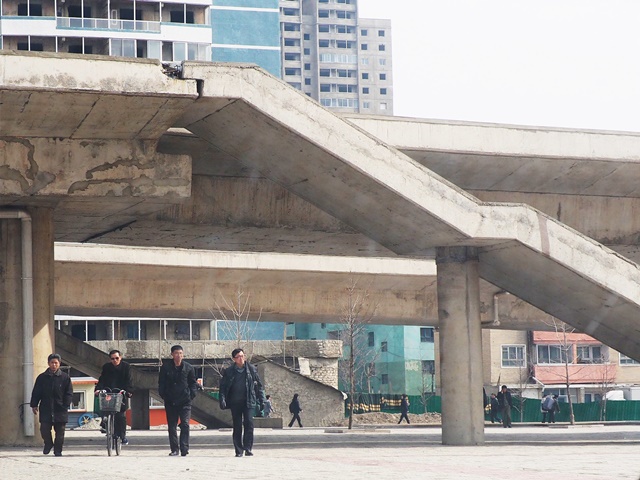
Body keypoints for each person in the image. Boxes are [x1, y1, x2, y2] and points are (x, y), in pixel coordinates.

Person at [219, 348, 266, 457]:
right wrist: (222, 399)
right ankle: (238, 450)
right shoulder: (229, 371)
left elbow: (259, 385)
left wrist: (262, 400)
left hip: (249, 401)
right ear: (234, 359)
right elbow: (223, 387)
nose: (241, 359)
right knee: (237, 425)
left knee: (249, 424)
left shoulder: (251, 369)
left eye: (242, 356)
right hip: (235, 402)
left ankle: (248, 448)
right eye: (238, 357)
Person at [30, 353, 73, 456]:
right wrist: (34, 404)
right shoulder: (42, 377)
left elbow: (69, 393)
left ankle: (58, 450)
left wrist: (66, 404)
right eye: (52, 363)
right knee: (44, 429)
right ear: (48, 363)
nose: (54, 365)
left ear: (59, 364)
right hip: (46, 407)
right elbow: (36, 392)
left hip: (60, 408)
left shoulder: (65, 377)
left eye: (56, 363)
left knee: (60, 432)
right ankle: (48, 443)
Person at [158, 345, 198, 457]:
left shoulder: (189, 367)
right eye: (176, 353)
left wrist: (191, 395)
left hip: (185, 401)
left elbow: (193, 383)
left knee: (185, 424)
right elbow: (161, 383)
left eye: (180, 353)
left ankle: (184, 448)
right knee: (172, 426)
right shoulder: (166, 368)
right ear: (172, 354)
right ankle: (174, 449)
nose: (178, 355)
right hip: (170, 401)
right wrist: (164, 395)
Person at [95, 349, 133, 445]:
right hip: (109, 392)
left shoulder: (126, 367)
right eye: (112, 359)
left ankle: (123, 436)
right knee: (105, 407)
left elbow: (129, 380)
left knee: (121, 416)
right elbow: (102, 379)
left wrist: (128, 391)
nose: (115, 360)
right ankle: (104, 424)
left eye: (116, 358)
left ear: (120, 357)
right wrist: (98, 389)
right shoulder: (107, 367)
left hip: (121, 393)